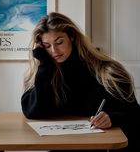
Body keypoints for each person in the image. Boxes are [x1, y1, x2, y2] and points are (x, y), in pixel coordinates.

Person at [21, 12, 140, 152]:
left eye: (59, 42)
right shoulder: (43, 72)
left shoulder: (108, 72)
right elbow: (32, 112)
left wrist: (112, 117)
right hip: (62, 147)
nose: (54, 51)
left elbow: (135, 115)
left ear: (71, 36)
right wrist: (45, 66)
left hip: (101, 148)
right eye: (47, 45)